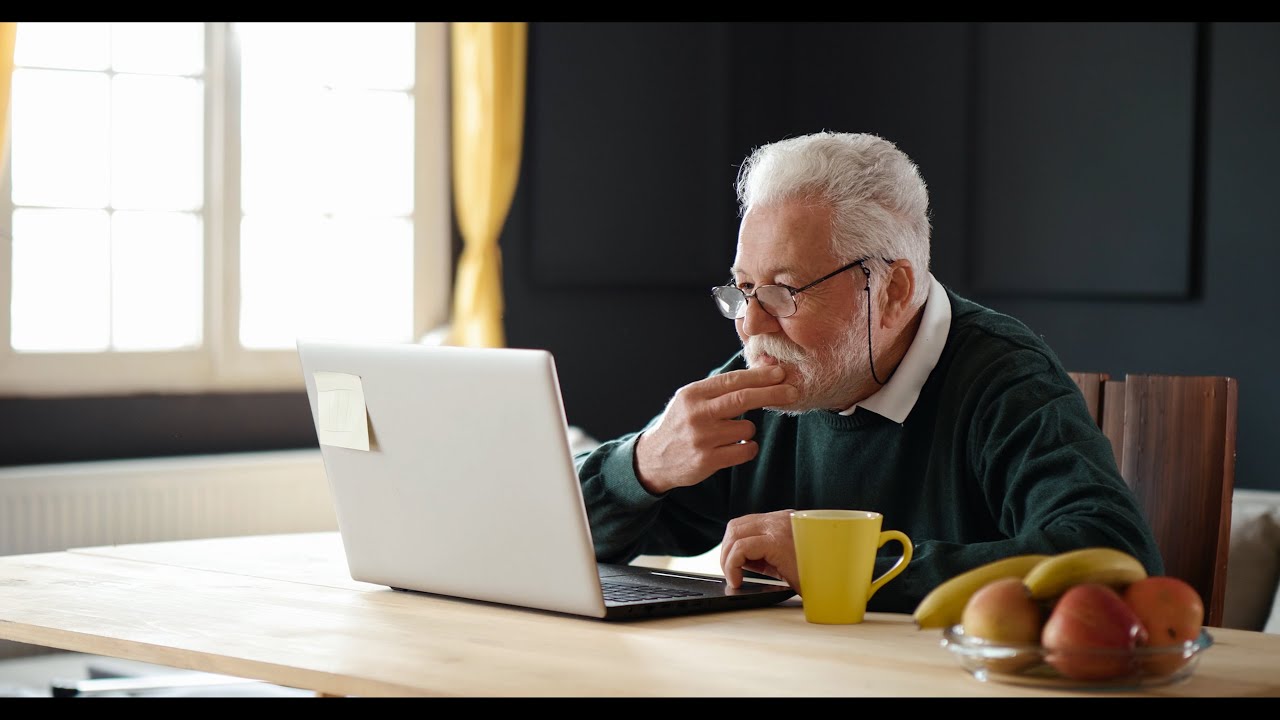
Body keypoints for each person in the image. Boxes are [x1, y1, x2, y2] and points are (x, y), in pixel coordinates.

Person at [573, 130, 1164, 614]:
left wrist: (846, 567)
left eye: (783, 290)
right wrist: (642, 465)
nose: (751, 324)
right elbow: (561, 540)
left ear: (893, 288)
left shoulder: (1002, 377)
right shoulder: (767, 381)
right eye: (743, 288)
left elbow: (1114, 556)